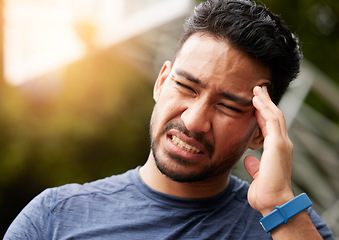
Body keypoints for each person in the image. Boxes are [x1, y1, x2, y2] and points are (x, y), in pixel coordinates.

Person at [4, 0, 334, 239]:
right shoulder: (52, 219)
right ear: (161, 82)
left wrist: (278, 205)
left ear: (261, 132)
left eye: (228, 106)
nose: (194, 121)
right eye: (187, 87)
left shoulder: (291, 226)